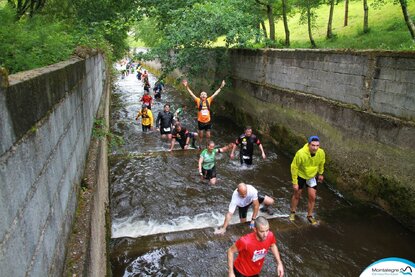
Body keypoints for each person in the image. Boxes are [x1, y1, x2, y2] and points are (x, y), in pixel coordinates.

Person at [289, 135, 326, 225]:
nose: (315, 148)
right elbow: (294, 167)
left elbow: (322, 163)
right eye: (313, 145)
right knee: (297, 195)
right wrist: (295, 182)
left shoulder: (321, 153)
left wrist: (320, 173)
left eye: (317, 145)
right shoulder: (301, 153)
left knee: (312, 197)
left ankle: (309, 216)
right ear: (308, 144)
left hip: (311, 176)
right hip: (300, 176)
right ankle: (293, 212)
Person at [182, 79, 226, 148]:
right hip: (201, 122)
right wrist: (186, 86)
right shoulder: (198, 100)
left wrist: (221, 87)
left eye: (204, 94)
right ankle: (199, 146)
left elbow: (215, 93)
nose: (203, 95)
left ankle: (207, 146)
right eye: (202, 94)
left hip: (208, 121)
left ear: (206, 96)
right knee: (201, 136)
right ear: (200, 96)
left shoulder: (209, 100)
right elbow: (191, 94)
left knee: (208, 136)